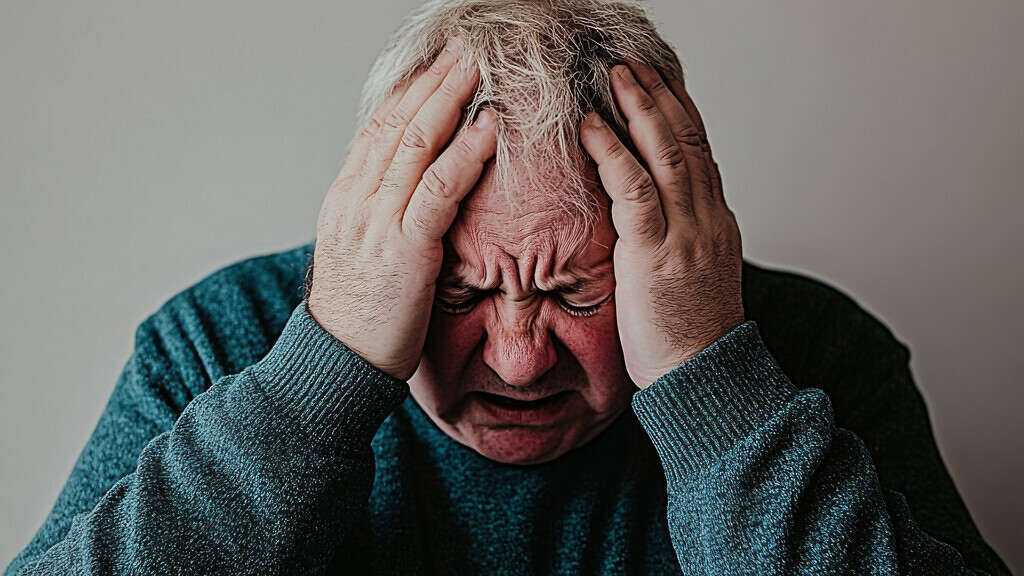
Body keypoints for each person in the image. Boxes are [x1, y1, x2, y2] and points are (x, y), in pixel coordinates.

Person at [4, 0, 1011, 574]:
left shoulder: (814, 356)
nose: (519, 359)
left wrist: (712, 383)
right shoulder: (216, 342)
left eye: (578, 294)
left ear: (674, 243)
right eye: (455, 297)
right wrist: (323, 373)